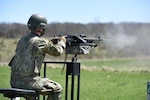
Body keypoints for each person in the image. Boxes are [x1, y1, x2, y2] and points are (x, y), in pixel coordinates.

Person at [8, 14, 66, 100]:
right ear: (41, 27)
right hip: (29, 83)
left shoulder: (22, 40)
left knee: (32, 96)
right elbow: (57, 52)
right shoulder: (40, 42)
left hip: (14, 82)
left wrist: (49, 42)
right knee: (57, 89)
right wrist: (62, 42)